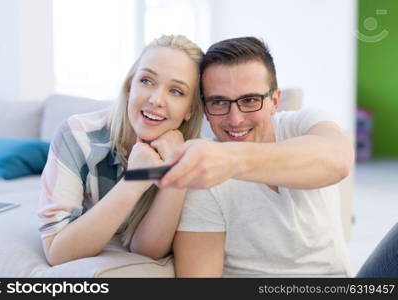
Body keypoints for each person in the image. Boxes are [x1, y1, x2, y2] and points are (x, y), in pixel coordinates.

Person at [170, 37, 355, 277]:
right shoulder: (203, 178)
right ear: (205, 109)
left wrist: (232, 159)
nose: (235, 119)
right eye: (219, 102)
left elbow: (338, 161)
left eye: (249, 100)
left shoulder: (302, 124)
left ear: (275, 101)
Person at [37, 35, 204, 266]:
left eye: (176, 91)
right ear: (129, 86)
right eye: (146, 81)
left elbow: (146, 250)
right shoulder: (76, 135)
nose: (156, 100)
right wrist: (135, 180)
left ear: (190, 110)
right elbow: (58, 252)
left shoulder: (196, 154)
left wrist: (175, 171)